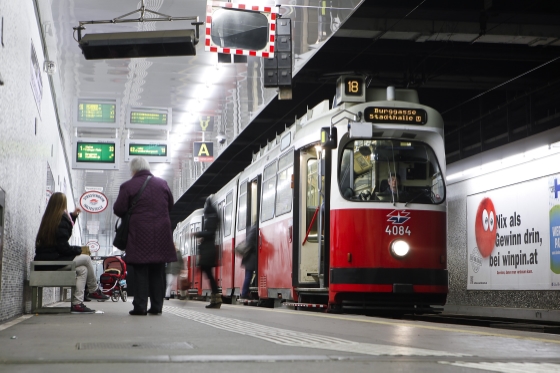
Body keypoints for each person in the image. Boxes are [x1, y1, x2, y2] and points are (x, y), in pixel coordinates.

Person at [113, 157, 177, 316]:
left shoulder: (128, 186)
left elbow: (119, 209)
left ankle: (140, 306)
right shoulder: (162, 184)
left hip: (139, 233)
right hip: (161, 233)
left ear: (133, 170)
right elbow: (170, 205)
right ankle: (157, 306)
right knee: (157, 270)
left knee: (140, 270)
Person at [34, 192, 109, 314]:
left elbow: (61, 237)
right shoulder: (60, 221)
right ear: (62, 204)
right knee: (86, 259)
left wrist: (73, 216)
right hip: (53, 261)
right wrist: (79, 249)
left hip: (47, 261)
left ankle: (77, 304)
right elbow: (64, 248)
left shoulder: (49, 219)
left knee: (83, 270)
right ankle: (94, 290)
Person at [193, 195, 221, 309]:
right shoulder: (213, 218)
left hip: (208, 252)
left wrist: (198, 234)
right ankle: (215, 299)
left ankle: (216, 299)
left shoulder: (211, 219)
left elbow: (210, 233)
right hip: (208, 251)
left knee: (209, 275)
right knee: (209, 275)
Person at [240, 224, 257, 300]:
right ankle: (244, 293)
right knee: (248, 275)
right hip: (251, 257)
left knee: (248, 275)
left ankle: (245, 292)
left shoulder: (251, 229)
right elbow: (250, 242)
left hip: (249, 257)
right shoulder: (254, 229)